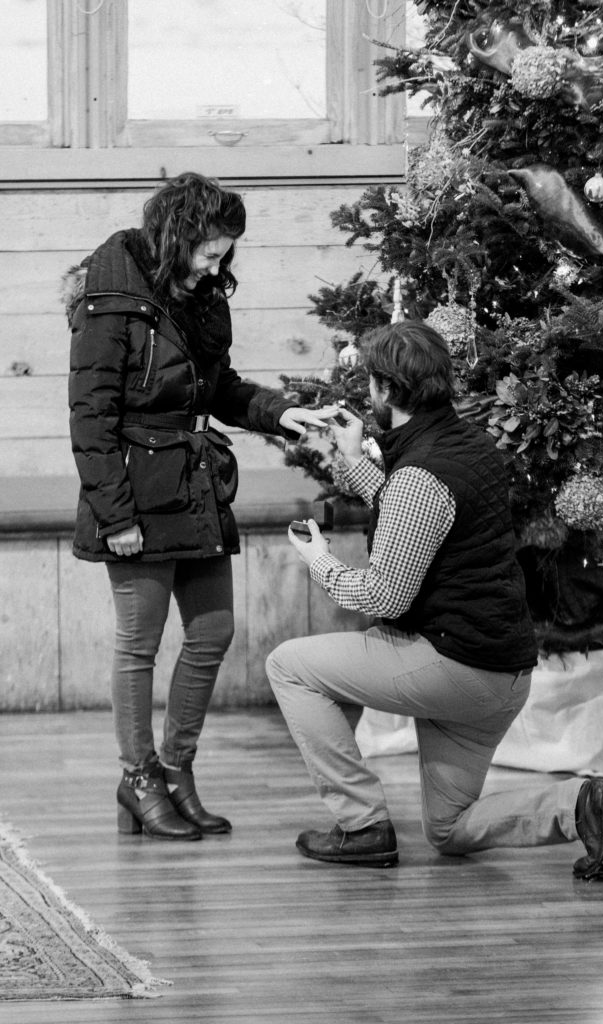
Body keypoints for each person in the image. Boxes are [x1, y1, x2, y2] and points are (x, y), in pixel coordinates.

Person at [266, 320, 603, 878]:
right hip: (501, 672)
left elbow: (384, 596)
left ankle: (362, 826)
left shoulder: (421, 475)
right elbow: (417, 510)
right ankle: (579, 805)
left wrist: (317, 559)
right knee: (449, 830)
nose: (367, 393)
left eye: (370, 382)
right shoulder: (469, 444)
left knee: (290, 667)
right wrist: (353, 458)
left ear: (387, 391)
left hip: (452, 666)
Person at [66, 171, 335, 841]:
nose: (219, 264)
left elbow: (220, 387)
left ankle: (176, 767)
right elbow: (90, 418)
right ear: (174, 237)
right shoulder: (111, 301)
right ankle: (137, 777)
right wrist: (116, 515)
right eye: (210, 250)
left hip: (193, 485)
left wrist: (283, 415)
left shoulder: (202, 295)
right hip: (134, 492)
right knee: (138, 646)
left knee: (212, 631)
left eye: (226, 252)